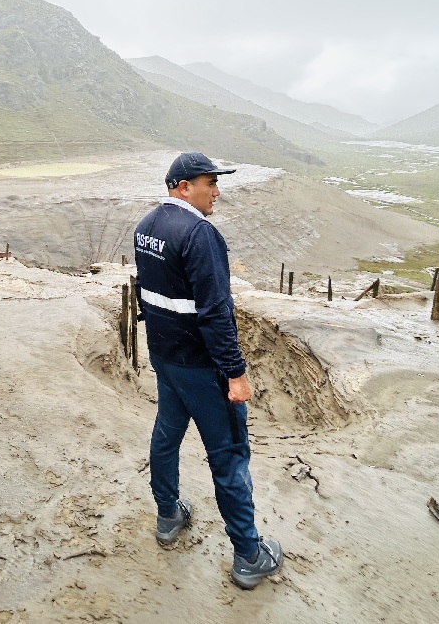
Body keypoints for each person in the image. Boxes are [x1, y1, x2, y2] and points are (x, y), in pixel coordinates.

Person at [133, 151, 284, 590]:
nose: (217, 192)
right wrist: (235, 373)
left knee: (166, 435)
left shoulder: (147, 226)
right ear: (183, 187)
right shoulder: (200, 234)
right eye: (209, 183)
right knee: (230, 456)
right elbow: (216, 312)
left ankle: (167, 516)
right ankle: (249, 554)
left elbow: (152, 295)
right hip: (202, 367)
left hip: (166, 358)